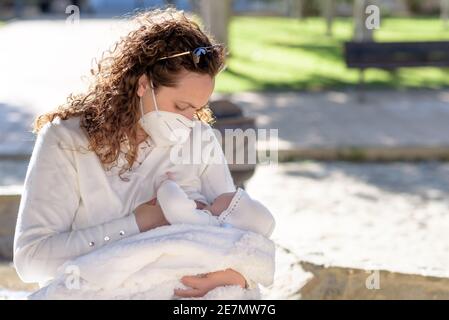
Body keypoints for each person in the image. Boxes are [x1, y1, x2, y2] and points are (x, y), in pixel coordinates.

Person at [13, 8, 272, 298]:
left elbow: (233, 233)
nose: (190, 121)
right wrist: (138, 223)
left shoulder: (199, 139)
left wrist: (237, 277)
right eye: (181, 107)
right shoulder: (67, 140)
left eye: (198, 110)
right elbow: (31, 260)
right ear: (144, 85)